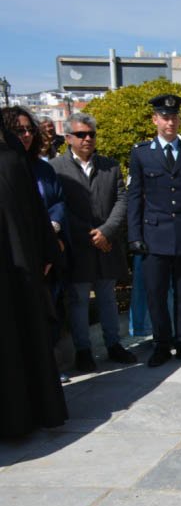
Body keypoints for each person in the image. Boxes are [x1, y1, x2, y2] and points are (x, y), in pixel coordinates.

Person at [126, 93, 181, 367]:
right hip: (154, 236)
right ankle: (161, 344)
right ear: (155, 120)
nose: (170, 122)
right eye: (164, 117)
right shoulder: (141, 154)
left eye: (174, 117)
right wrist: (135, 236)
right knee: (156, 294)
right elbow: (134, 198)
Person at [51, 112, 137, 372]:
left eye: (91, 134)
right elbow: (59, 206)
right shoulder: (56, 168)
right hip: (78, 247)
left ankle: (113, 344)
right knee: (78, 300)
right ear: (68, 138)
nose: (87, 139)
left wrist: (107, 232)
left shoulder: (109, 166)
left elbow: (122, 200)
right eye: (81, 135)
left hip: (107, 245)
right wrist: (91, 235)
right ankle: (84, 350)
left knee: (107, 297)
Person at [0, 127, 68, 437]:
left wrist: (45, 250)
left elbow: (35, 210)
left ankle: (29, 414)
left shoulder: (11, 155)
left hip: (19, 272)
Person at [4, 107, 70, 372]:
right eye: (20, 130)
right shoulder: (8, 166)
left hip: (46, 252)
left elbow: (56, 201)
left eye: (30, 129)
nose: (27, 135)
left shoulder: (42, 168)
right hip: (18, 260)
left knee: (50, 312)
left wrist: (52, 228)